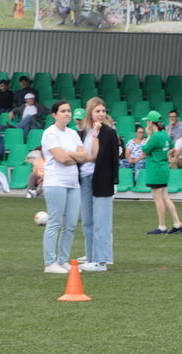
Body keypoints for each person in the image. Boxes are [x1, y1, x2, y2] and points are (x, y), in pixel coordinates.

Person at [41, 100, 91, 274]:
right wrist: (74, 156)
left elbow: (85, 156)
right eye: (63, 111)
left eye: (69, 111)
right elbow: (61, 159)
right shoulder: (49, 133)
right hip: (55, 182)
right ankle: (50, 262)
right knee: (55, 222)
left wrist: (70, 154)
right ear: (54, 114)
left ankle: (63, 260)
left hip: (73, 182)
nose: (67, 114)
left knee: (70, 225)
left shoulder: (73, 133)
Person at [79, 97, 121, 272]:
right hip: (84, 179)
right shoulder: (82, 132)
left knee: (101, 222)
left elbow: (113, 159)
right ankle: (91, 257)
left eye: (103, 111)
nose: (101, 114)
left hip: (102, 180)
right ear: (90, 112)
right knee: (87, 222)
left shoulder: (109, 133)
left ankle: (101, 260)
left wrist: (114, 181)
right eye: (98, 111)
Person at [141, 110, 182, 235]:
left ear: (151, 122)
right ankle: (177, 224)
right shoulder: (164, 134)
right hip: (163, 168)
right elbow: (171, 146)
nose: (147, 123)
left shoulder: (155, 136)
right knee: (165, 197)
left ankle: (162, 226)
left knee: (158, 198)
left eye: (148, 121)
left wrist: (148, 135)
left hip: (155, 170)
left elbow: (144, 150)